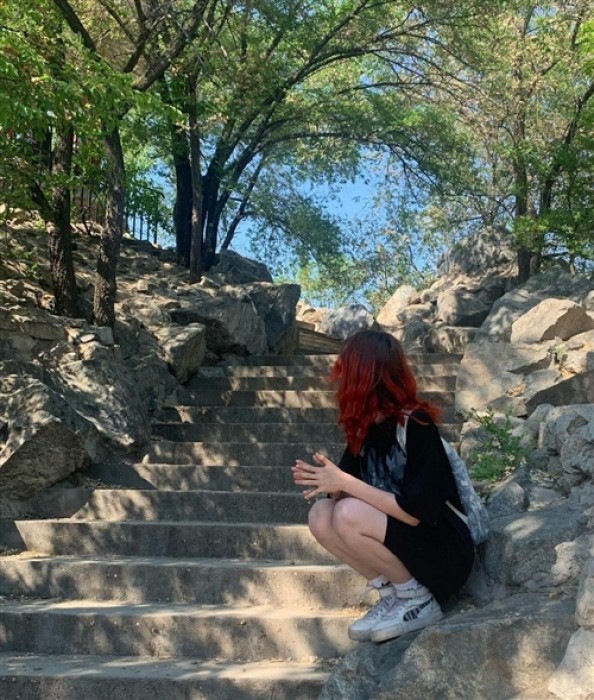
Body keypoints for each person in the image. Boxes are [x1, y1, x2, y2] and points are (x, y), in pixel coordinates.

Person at [292, 330, 474, 643]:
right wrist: (328, 482)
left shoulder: (416, 424)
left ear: (366, 374)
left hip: (444, 554)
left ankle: (418, 600)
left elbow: (416, 513)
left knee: (347, 512)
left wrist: (345, 483)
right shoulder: (364, 429)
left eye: (346, 369)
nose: (339, 379)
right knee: (321, 514)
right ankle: (391, 596)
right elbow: (344, 486)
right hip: (406, 548)